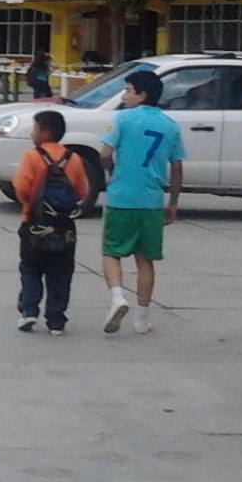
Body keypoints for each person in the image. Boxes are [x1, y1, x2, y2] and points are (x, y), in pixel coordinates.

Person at [97, 66, 185, 335]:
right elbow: (177, 167)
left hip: (121, 197)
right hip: (151, 200)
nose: (124, 96)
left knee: (111, 251)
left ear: (142, 94)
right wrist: (173, 201)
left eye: (128, 90)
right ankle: (142, 318)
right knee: (145, 260)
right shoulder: (170, 125)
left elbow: (105, 153)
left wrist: (113, 171)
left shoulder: (121, 119)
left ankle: (117, 297)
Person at [11, 110, 89, 334]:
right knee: (61, 273)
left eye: (35, 128)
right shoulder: (73, 159)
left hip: (34, 222)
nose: (32, 133)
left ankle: (29, 311)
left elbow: (21, 186)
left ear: (45, 132)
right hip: (64, 226)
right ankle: (56, 321)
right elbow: (81, 191)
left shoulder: (32, 156)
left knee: (30, 269)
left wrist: (30, 204)